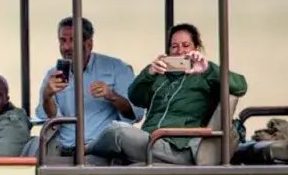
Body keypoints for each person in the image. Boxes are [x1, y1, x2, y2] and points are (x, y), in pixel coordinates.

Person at [91, 22, 247, 165]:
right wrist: (149, 73)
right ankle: (86, 154)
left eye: (186, 45)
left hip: (178, 147)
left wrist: (208, 69)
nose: (180, 51)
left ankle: (85, 148)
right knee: (95, 159)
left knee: (118, 130)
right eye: (174, 46)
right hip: (152, 141)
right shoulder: (161, 77)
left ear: (196, 48)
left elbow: (240, 86)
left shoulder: (207, 76)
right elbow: (135, 97)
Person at [34, 16, 137, 156]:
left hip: (100, 150)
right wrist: (47, 96)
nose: (66, 47)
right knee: (31, 159)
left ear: (89, 44)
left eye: (72, 40)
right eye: (62, 41)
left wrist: (111, 95)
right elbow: (53, 121)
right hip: (63, 148)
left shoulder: (116, 68)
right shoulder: (53, 74)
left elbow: (134, 114)